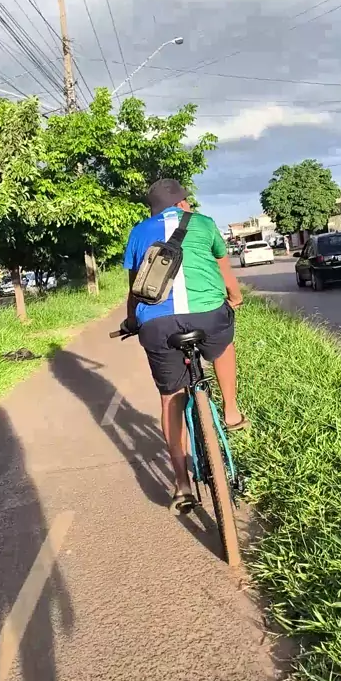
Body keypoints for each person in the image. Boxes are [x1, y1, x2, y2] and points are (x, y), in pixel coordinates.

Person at [123, 178, 249, 512]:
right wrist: (235, 298)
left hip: (158, 325)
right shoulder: (204, 224)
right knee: (223, 345)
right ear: (181, 203)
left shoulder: (138, 232)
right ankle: (231, 412)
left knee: (171, 398)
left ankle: (181, 485)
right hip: (208, 316)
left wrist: (132, 321)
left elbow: (136, 288)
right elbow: (225, 272)